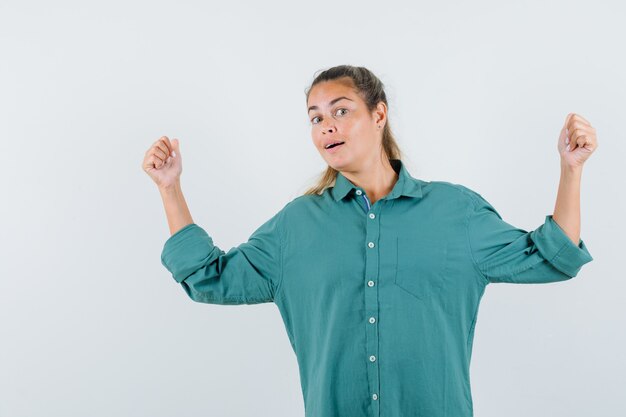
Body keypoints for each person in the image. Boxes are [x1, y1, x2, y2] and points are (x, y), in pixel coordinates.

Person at [142, 65, 597, 417]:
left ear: (379, 115)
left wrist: (571, 168)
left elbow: (553, 257)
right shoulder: (297, 226)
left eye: (341, 110)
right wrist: (170, 187)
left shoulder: (456, 213)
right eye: (316, 117)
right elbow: (209, 278)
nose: (327, 127)